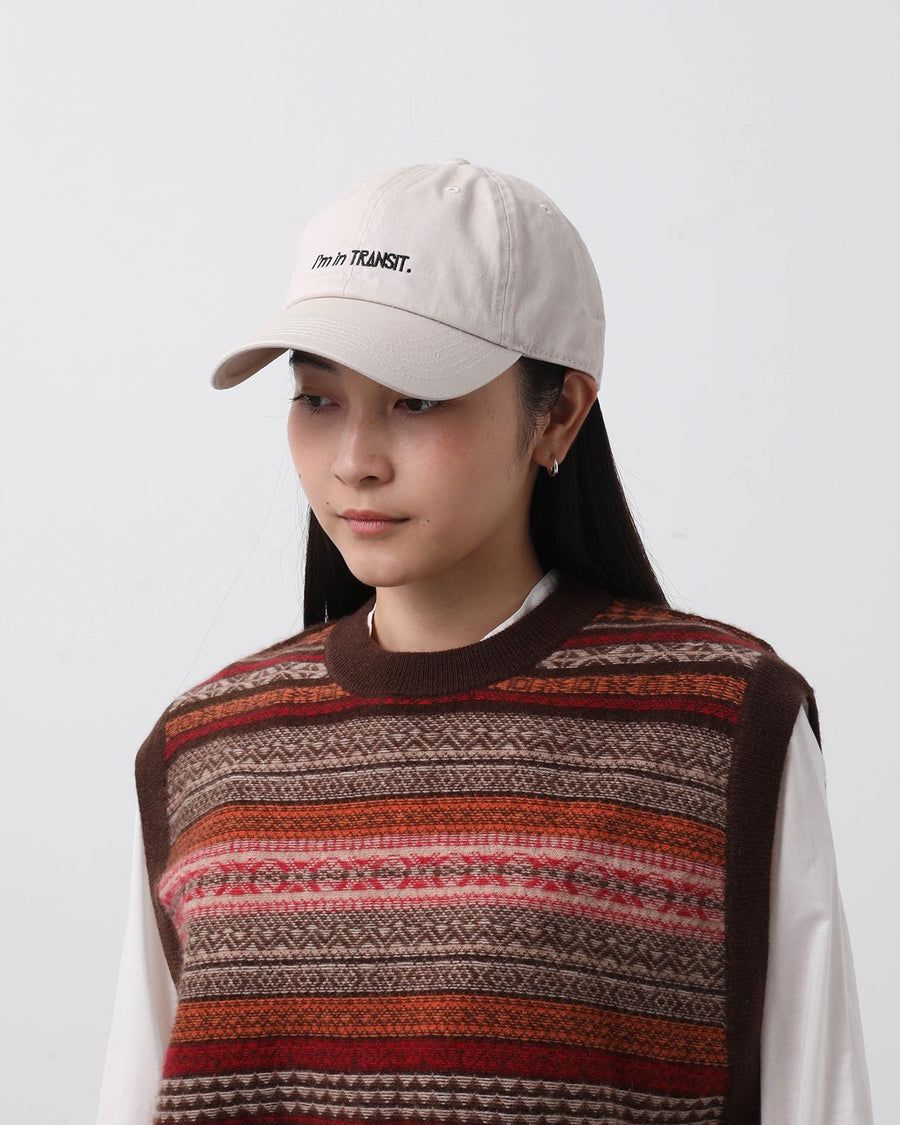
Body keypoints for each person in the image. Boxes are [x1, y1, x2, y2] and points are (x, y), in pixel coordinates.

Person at [96, 159, 874, 1124]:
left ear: (560, 412)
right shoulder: (201, 751)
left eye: (416, 401)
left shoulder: (722, 728)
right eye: (318, 398)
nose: (354, 461)